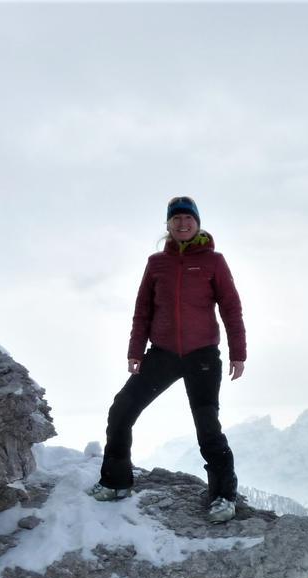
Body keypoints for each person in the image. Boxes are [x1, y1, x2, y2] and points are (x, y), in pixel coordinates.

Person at [87, 196, 246, 523]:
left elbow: (231, 308)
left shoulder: (214, 262)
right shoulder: (156, 263)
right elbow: (143, 309)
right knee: (122, 409)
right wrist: (135, 351)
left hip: (202, 355)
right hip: (162, 354)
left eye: (189, 218)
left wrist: (238, 353)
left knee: (207, 427)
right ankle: (116, 482)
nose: (183, 223)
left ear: (198, 224)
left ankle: (223, 496)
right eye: (177, 219)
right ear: (168, 225)